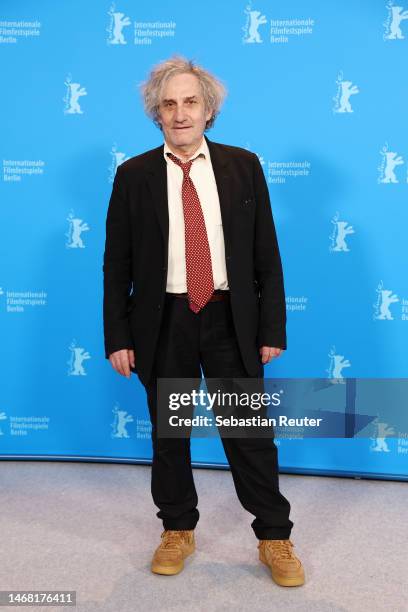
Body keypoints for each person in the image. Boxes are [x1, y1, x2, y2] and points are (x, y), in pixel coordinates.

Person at [103, 55, 305, 587]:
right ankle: (177, 528)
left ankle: (275, 537)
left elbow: (267, 254)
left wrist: (272, 328)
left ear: (208, 109)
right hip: (163, 320)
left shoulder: (243, 166)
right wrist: (118, 335)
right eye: (169, 104)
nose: (180, 113)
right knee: (170, 434)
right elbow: (115, 263)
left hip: (229, 317)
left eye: (190, 101)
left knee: (248, 433)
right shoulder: (133, 175)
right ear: (157, 114)